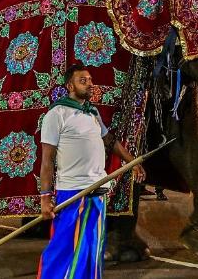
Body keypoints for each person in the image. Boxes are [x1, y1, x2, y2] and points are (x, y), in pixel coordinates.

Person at [38, 64, 145, 278]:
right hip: (73, 192)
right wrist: (45, 197)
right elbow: (47, 161)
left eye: (90, 80)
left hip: (97, 191)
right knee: (64, 247)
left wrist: (133, 162)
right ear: (70, 85)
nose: (89, 84)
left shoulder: (92, 112)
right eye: (83, 80)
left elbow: (111, 142)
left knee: (91, 247)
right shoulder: (56, 114)